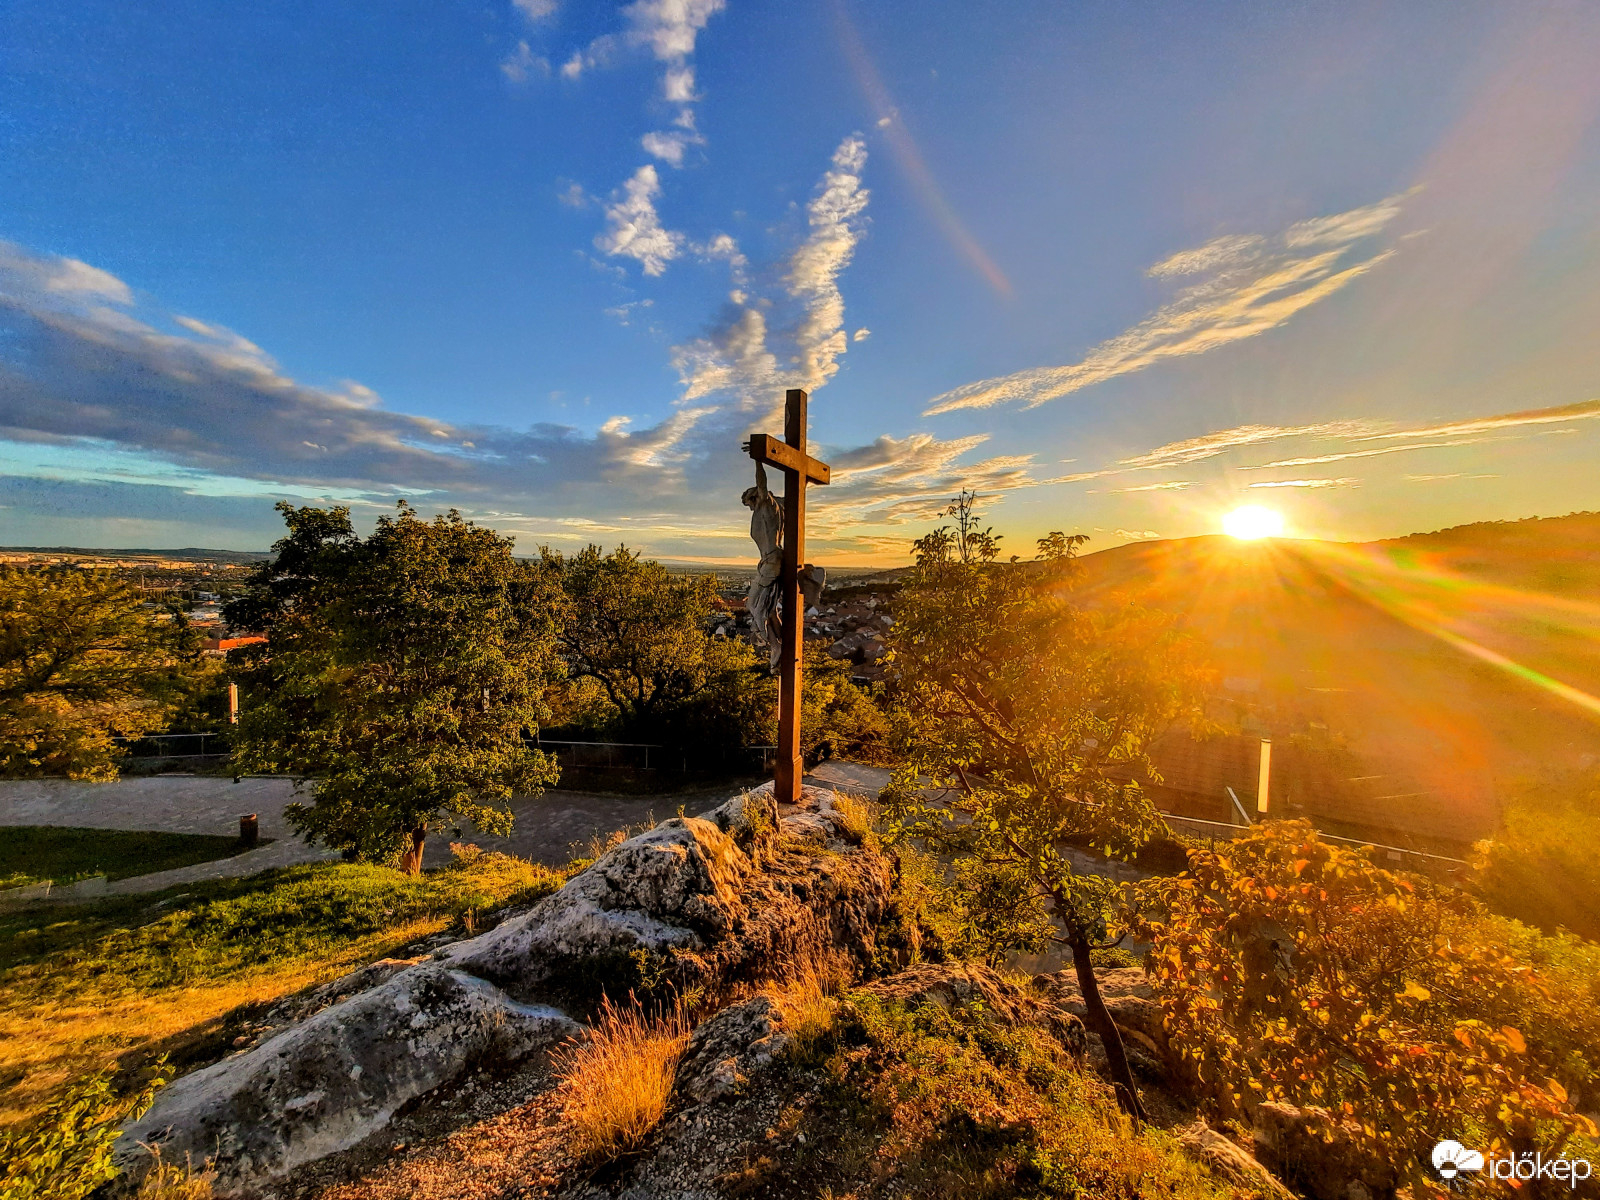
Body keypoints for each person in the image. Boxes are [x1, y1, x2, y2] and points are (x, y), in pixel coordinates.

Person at [742, 461, 826, 669]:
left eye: (749, 502)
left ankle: (775, 646)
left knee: (754, 605)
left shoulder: (768, 507)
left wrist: (758, 460)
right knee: (768, 609)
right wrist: (803, 481)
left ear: (755, 497)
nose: (750, 507)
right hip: (770, 561)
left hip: (771, 561)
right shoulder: (776, 509)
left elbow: (762, 483)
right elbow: (795, 496)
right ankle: (781, 643)